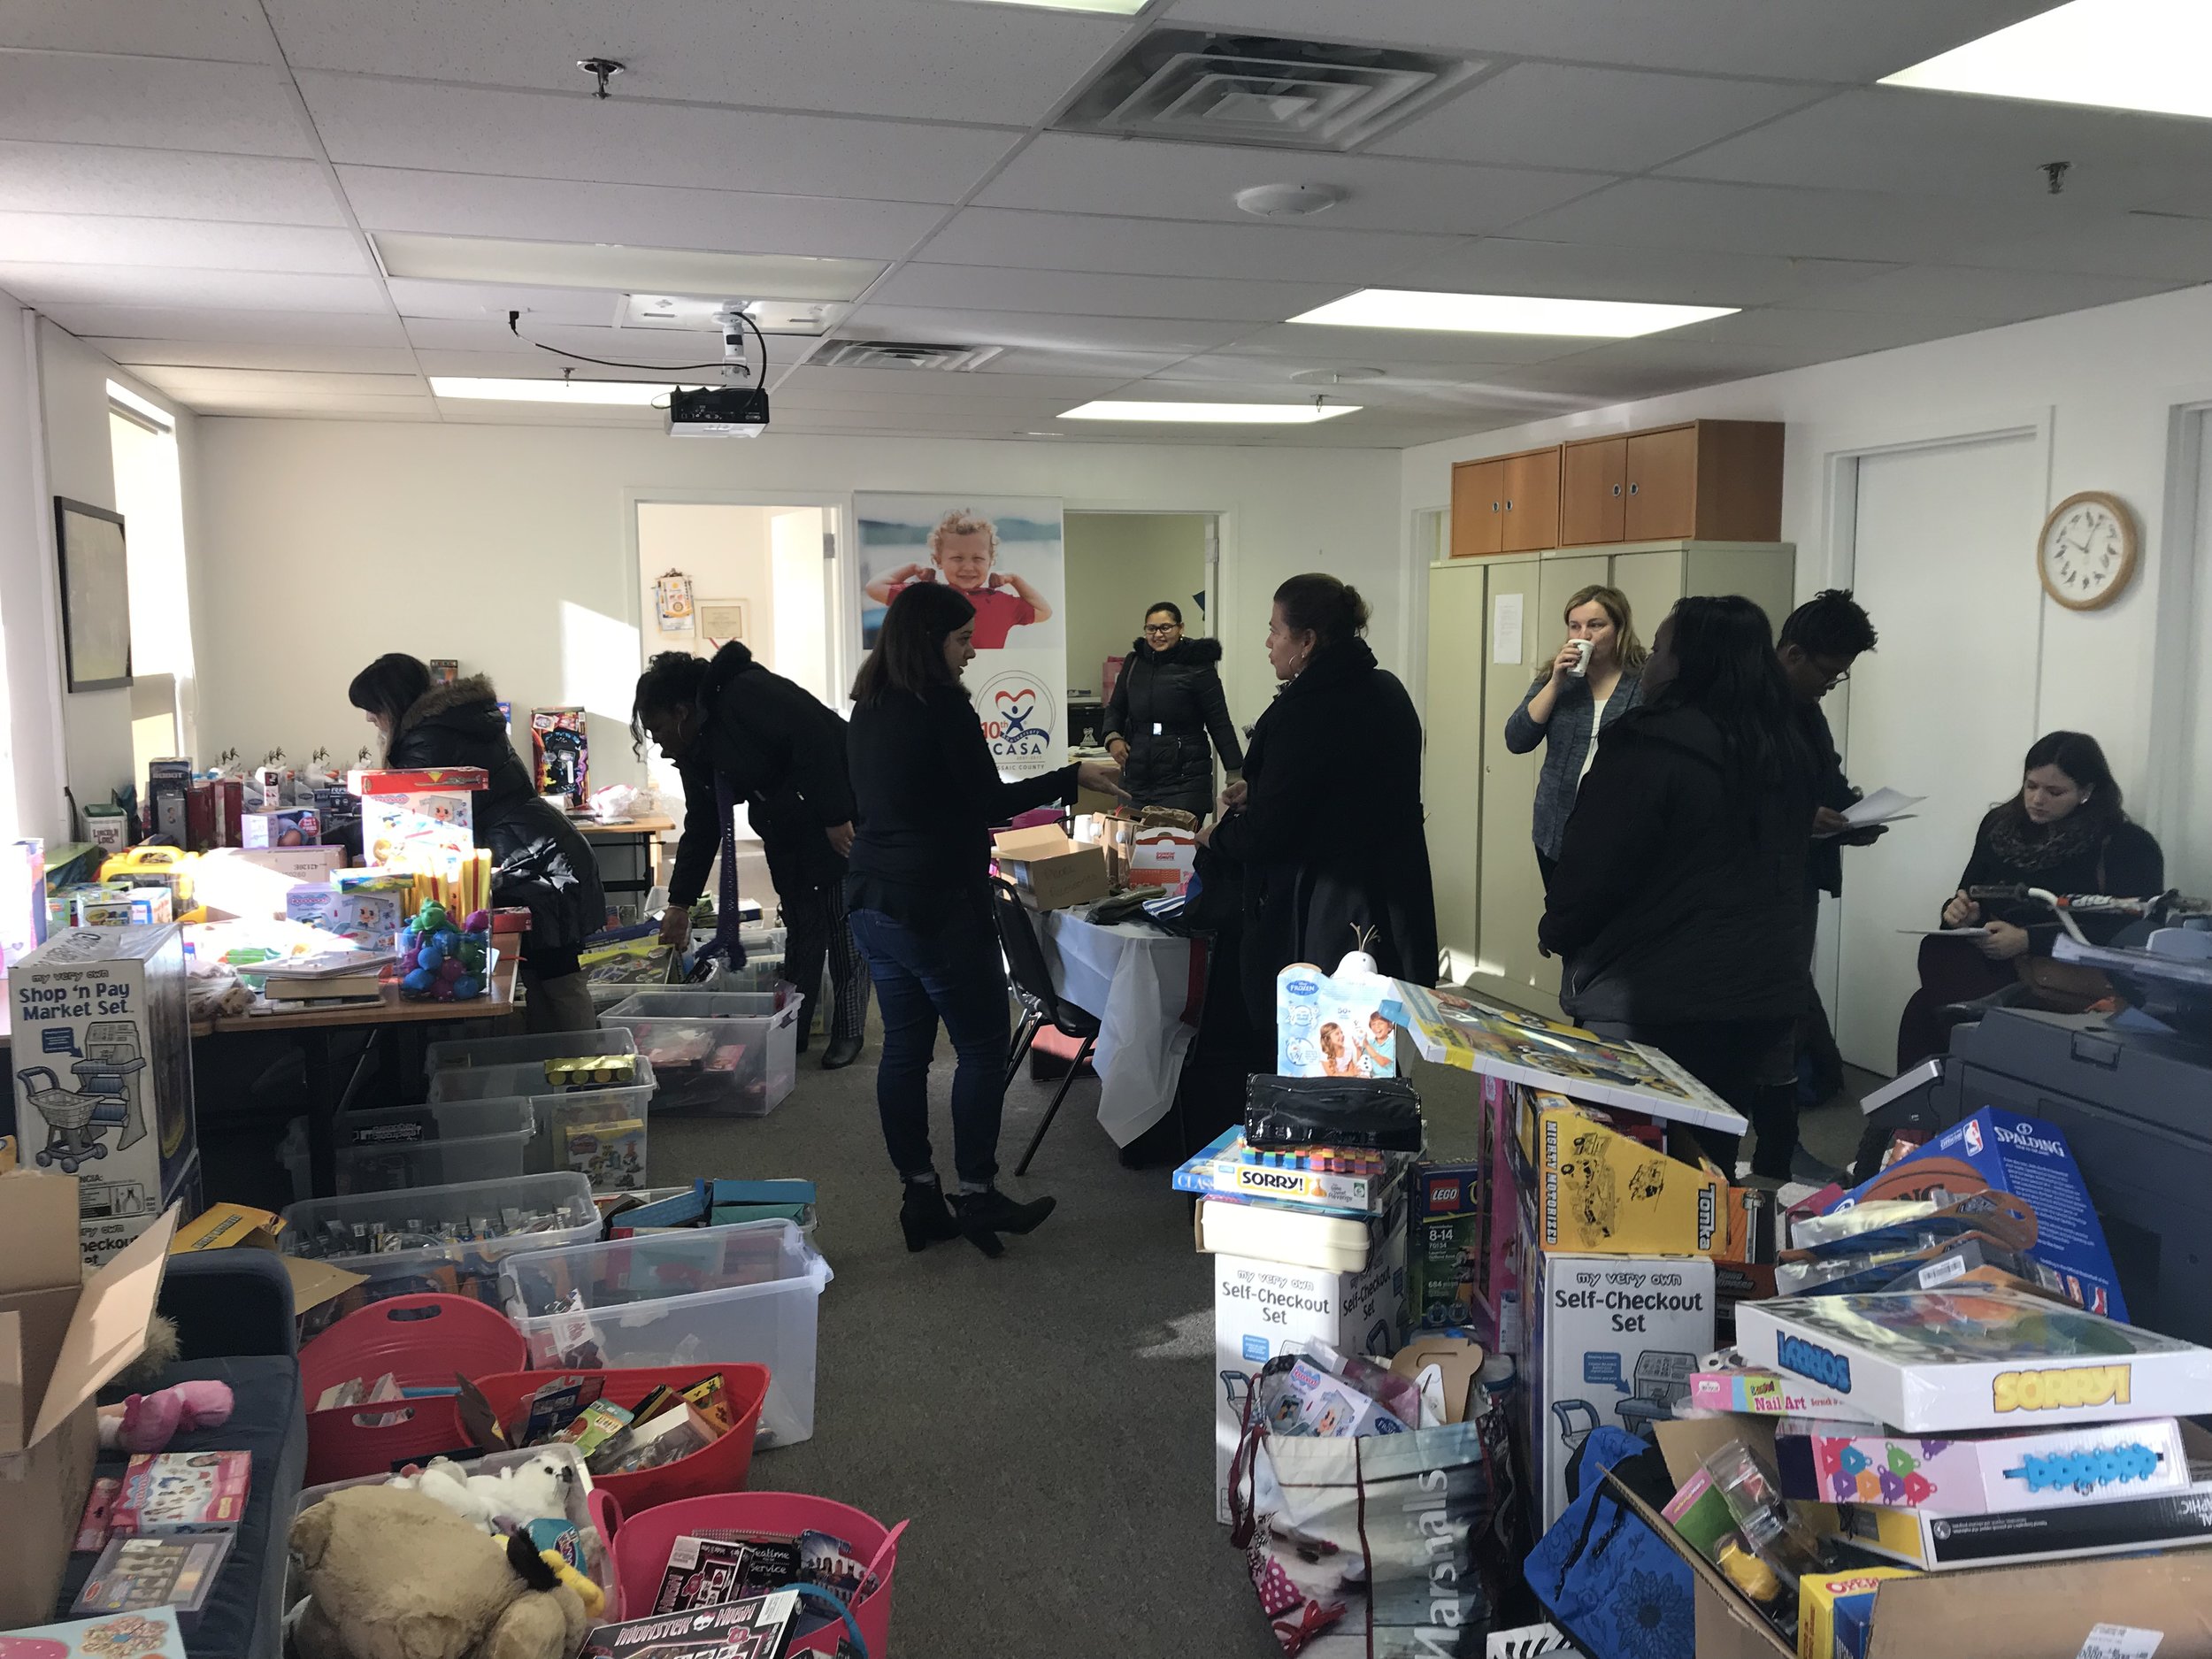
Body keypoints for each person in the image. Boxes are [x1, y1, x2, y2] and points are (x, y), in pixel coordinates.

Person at [845, 581, 1123, 1256]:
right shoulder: (940, 706)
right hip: (936, 905)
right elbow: (988, 802)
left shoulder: (869, 705)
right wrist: (1072, 776)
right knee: (978, 1047)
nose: (973, 651)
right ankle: (976, 1194)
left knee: (905, 1050)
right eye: (963, 639)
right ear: (930, 641)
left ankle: (920, 1194)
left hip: (874, 903)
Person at [1539, 596, 1816, 1167]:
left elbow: (1596, 866)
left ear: (1689, 664)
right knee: (1707, 1167)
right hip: (1750, 996)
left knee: (1615, 1172)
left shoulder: (1647, 745)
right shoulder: (1785, 746)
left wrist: (1559, 926)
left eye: (1661, 650)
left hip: (1647, 996)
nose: (1652, 664)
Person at [1202, 574, 1437, 1039]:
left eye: (1276, 631)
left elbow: (1273, 829)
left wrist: (1218, 837)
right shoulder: (1387, 690)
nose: (1267, 643)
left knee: (1322, 1045)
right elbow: (1348, 784)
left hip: (1328, 907)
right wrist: (1265, 786)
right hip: (1389, 898)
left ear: (1307, 641)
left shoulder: (1305, 712)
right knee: (1372, 1041)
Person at [630, 643, 869, 1071]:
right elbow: (702, 827)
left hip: (836, 811)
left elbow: (818, 738)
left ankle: (848, 1031)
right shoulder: (693, 748)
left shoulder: (746, 693)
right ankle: (790, 1031)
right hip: (784, 823)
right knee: (801, 928)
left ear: (683, 710)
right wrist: (679, 903)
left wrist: (836, 816)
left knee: (844, 927)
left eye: (659, 728)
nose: (659, 742)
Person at [347, 655, 606, 1033]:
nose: (370, 719)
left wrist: (339, 839)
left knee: (557, 980)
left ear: (391, 702)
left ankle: (585, 1073)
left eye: (371, 709)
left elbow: (409, 818)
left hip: (536, 861)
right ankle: (565, 1069)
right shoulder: (454, 723)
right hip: (540, 851)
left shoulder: (428, 738)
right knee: (552, 977)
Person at [1894, 732, 2163, 1070]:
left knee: (1950, 1019)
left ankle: (1966, 1110)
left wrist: (2027, 940)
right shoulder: (2000, 827)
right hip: (1990, 965)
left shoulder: (2127, 845)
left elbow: (2129, 931)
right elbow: (1969, 892)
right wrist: (1959, 913)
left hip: (2061, 979)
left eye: (2054, 792)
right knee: (1924, 1008)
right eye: (2030, 786)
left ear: (2087, 792)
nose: (2037, 800)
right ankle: (1913, 1118)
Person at [1750, 589, 1882, 1179]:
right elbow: (1725, 800)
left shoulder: (1807, 710)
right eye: (1829, 672)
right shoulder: (1738, 706)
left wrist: (1856, 816)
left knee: (1784, 1012)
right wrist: (1802, 818)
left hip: (1796, 882)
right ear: (1794, 653)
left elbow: (1827, 783)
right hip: (1738, 888)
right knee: (1744, 1014)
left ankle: (1780, 1146)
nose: (1833, 684)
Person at [1503, 585, 1647, 885]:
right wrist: (1556, 683)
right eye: (1575, 626)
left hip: (1619, 829)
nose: (1584, 635)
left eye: (1596, 625)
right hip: (1557, 827)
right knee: (1560, 921)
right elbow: (1517, 739)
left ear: (1619, 629)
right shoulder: (1554, 677)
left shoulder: (1644, 681)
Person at [1102, 602, 1244, 820]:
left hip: (1184, 779)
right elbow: (1116, 708)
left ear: (1181, 628)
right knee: (1134, 847)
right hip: (1137, 778)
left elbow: (1219, 722)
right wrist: (1113, 738)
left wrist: (1235, 773)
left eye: (1165, 627)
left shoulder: (1199, 666)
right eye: (1151, 628)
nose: (1158, 634)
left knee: (1176, 849)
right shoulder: (1134, 662)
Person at [864, 510, 1052, 649]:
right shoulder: (925, 598)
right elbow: (874, 587)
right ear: (938, 560)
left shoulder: (1001, 602)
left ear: (990, 562)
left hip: (987, 686)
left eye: (978, 558)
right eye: (957, 558)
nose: (968, 567)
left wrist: (1015, 579)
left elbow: (1044, 611)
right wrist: (912, 567)